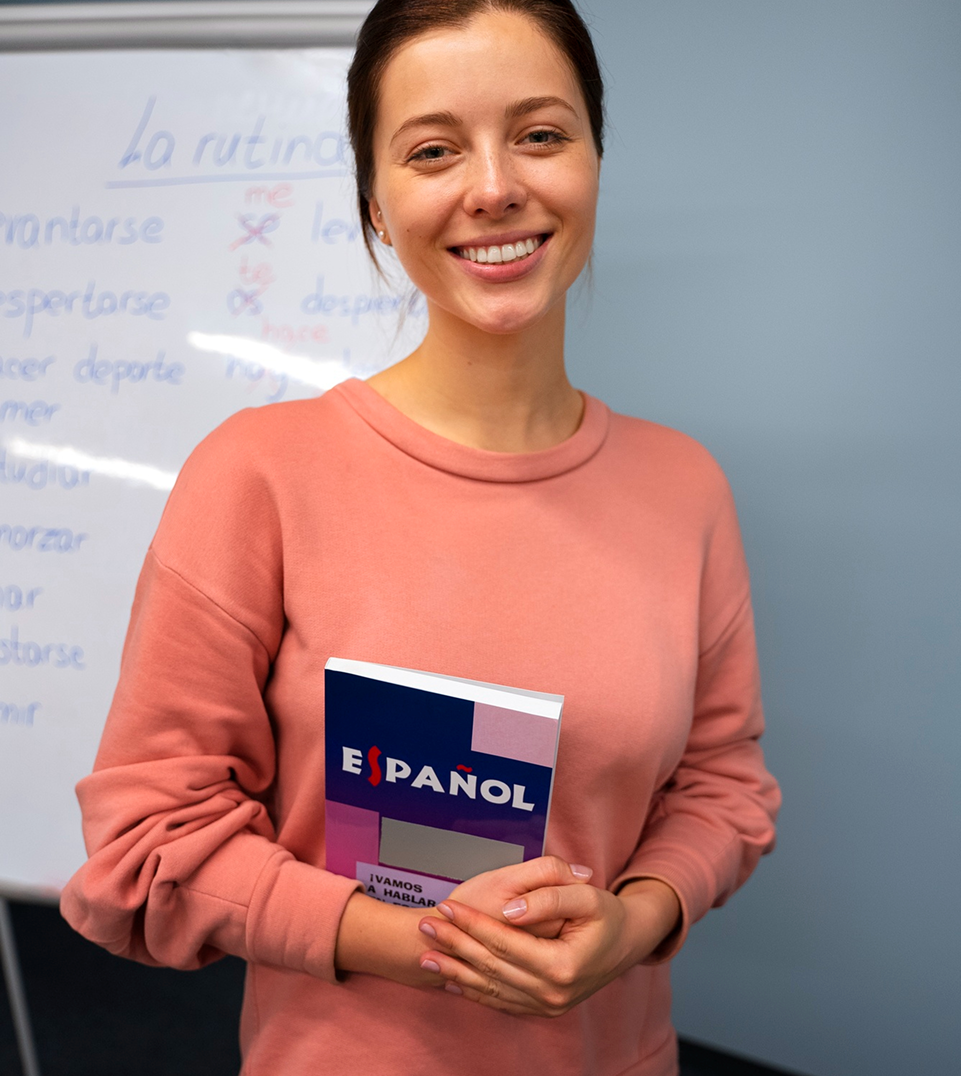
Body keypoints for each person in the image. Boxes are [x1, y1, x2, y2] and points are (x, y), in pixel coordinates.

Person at [61, 1, 780, 1073]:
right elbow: (149, 837)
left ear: (594, 162)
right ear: (376, 206)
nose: (493, 186)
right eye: (433, 150)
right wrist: (432, 947)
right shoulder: (259, 474)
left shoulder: (685, 487)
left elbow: (723, 783)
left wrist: (636, 920)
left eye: (540, 134)